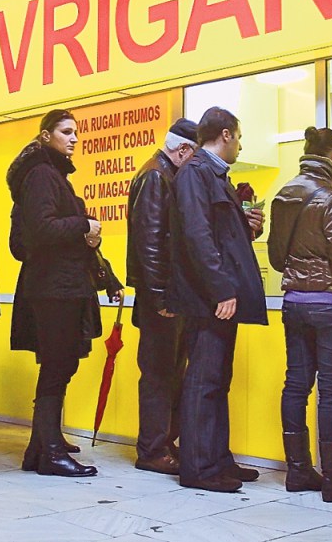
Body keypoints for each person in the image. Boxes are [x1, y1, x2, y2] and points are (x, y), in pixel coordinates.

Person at [7, 109, 123, 477]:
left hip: (60, 286)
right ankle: (51, 453)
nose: (73, 139)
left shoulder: (50, 174)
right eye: (65, 132)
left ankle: (40, 447)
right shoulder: (42, 175)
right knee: (57, 368)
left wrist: (107, 277)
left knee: (58, 367)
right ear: (45, 136)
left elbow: (59, 237)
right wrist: (83, 225)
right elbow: (42, 229)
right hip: (54, 289)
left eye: (75, 133)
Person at [268, 127, 332, 502]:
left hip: (295, 304)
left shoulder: (283, 195)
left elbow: (276, 259)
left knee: (296, 385)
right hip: (331, 306)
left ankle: (298, 471)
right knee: (331, 393)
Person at [170, 106, 267, 493]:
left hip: (217, 296)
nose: (240, 145)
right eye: (238, 137)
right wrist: (221, 289)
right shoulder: (195, 173)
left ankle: (218, 460)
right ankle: (198, 467)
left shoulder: (214, 175)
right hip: (207, 299)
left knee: (217, 381)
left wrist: (247, 225)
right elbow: (197, 235)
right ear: (225, 134)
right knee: (203, 382)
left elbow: (219, 233)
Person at [126, 117, 198, 476]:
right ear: (182, 150)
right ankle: (153, 450)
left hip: (167, 295)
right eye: (195, 155)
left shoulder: (162, 174)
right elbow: (150, 242)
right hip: (161, 298)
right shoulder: (156, 176)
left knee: (169, 373)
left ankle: (163, 443)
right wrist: (160, 297)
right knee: (158, 374)